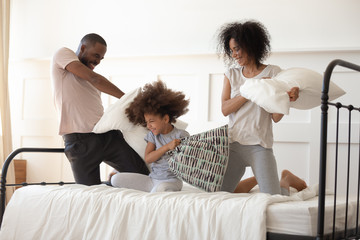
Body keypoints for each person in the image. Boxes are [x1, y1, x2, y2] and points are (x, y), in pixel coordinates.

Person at [216, 20, 306, 195]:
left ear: (251, 45)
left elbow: (276, 117)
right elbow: (225, 109)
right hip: (233, 145)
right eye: (232, 50)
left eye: (237, 49)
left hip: (259, 146)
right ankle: (257, 178)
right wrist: (253, 89)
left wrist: (288, 99)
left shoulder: (273, 73)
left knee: (273, 199)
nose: (234, 54)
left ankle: (286, 179)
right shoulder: (231, 75)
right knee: (221, 194)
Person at [51, 33, 149, 185]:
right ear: (83, 48)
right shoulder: (63, 54)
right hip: (80, 142)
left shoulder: (91, 78)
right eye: (96, 55)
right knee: (90, 194)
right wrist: (131, 100)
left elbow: (94, 80)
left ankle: (115, 181)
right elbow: (94, 78)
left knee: (143, 177)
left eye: (101, 58)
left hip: (107, 135)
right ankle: (110, 185)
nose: (97, 61)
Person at [110, 80, 190, 192]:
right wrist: (167, 147)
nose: (149, 125)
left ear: (166, 119)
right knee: (115, 179)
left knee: (160, 189)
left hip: (171, 181)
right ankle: (155, 190)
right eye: (147, 122)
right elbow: (148, 158)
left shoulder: (181, 135)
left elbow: (188, 161)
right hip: (152, 181)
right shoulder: (152, 136)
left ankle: (157, 191)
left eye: (152, 121)